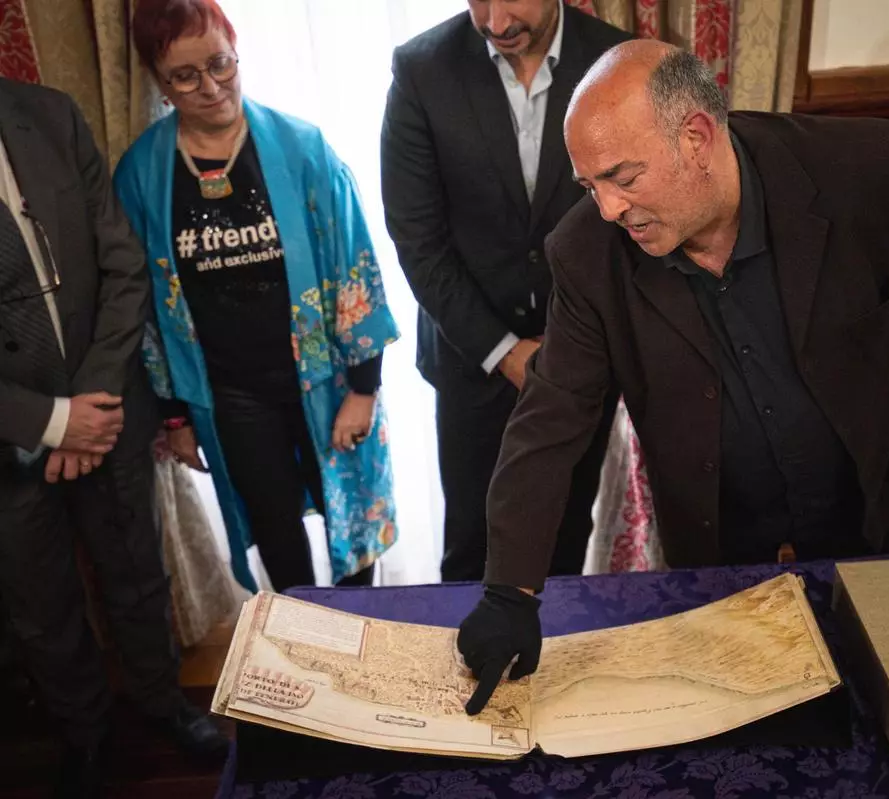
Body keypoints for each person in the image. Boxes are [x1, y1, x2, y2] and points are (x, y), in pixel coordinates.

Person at [456, 40, 889, 714]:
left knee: (870, 705)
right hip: (715, 532)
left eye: (623, 177)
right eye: (590, 186)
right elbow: (551, 418)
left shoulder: (870, 169)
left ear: (697, 138)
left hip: (861, 499)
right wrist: (510, 591)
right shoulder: (586, 254)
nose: (608, 208)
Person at [115, 0, 399, 593]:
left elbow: (355, 266)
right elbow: (143, 306)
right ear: (159, 83)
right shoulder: (142, 173)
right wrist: (175, 416)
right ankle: (302, 635)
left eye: (219, 64)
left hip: (327, 381)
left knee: (351, 525)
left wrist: (364, 389)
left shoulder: (302, 149)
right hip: (231, 395)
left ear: (236, 50)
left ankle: (365, 635)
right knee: (275, 532)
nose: (210, 86)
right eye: (185, 76)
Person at [0, 76, 226, 798]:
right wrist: (53, 422)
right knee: (41, 604)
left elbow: (123, 265)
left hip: (108, 408)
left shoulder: (50, 114)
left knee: (137, 571)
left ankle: (163, 704)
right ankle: (84, 735)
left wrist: (90, 406)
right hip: (9, 438)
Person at [382, 0, 630, 582]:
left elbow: (631, 227)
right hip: (471, 361)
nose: (495, 24)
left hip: (583, 359)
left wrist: (569, 351)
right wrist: (504, 352)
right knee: (472, 549)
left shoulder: (618, 60)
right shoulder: (421, 69)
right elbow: (417, 238)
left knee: (564, 538)